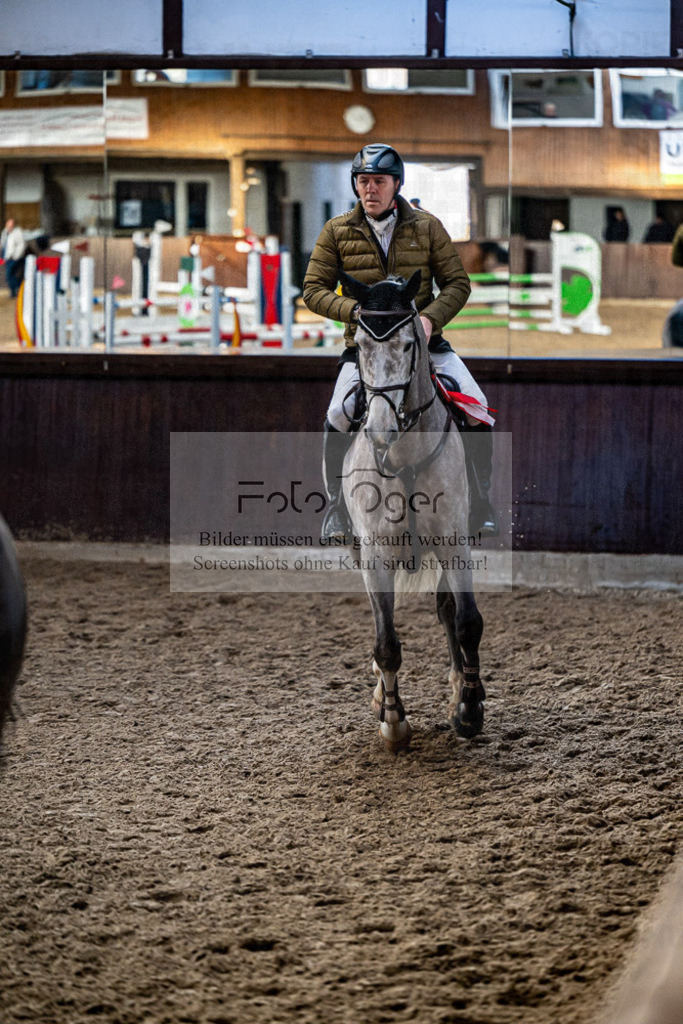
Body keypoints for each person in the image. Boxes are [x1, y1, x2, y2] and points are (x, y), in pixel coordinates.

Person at [303, 142, 496, 542]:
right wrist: (355, 313)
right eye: (363, 181)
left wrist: (429, 319)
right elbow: (313, 289)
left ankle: (480, 502)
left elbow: (457, 284)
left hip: (424, 347)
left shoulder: (427, 227)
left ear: (396, 184)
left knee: (477, 410)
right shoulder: (337, 230)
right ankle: (337, 509)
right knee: (338, 414)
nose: (369, 189)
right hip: (365, 351)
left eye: (378, 181)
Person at [1, 218, 26, 298]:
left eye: (11, 225)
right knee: (10, 275)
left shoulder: (18, 232)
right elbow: (3, 244)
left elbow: (22, 245)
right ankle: (16, 290)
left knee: (9, 274)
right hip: (7, 257)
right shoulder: (5, 232)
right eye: (9, 225)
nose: (10, 227)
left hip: (15, 257)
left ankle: (16, 290)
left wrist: (17, 255)